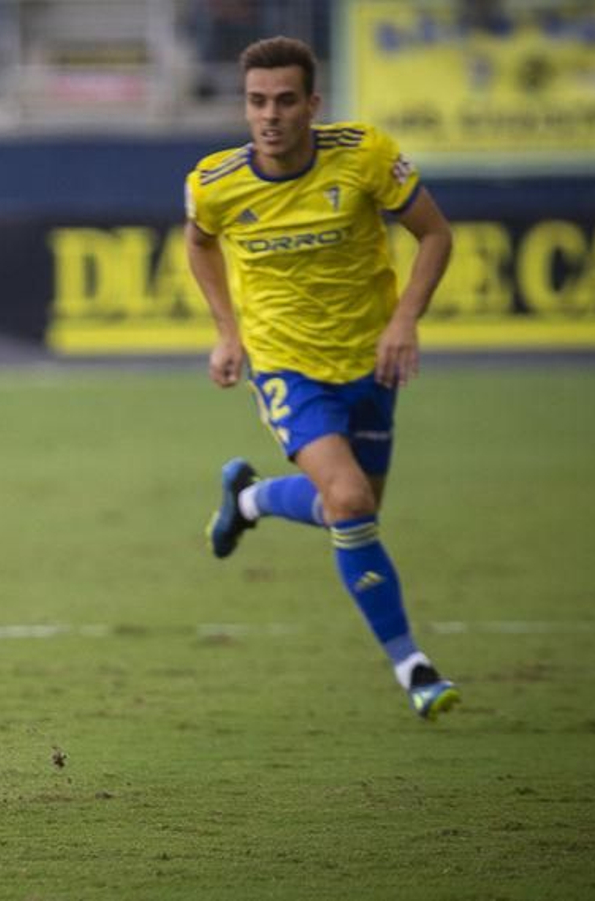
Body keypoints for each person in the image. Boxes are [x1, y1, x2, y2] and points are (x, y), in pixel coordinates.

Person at [183, 37, 460, 720]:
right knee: (350, 500)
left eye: (283, 101)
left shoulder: (365, 155)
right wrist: (228, 330)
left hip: (371, 361)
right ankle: (412, 665)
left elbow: (436, 235)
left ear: (312, 102)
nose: (269, 115)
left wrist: (403, 322)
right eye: (256, 102)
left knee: (355, 504)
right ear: (244, 106)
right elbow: (198, 242)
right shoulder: (215, 183)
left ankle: (248, 499)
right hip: (287, 366)